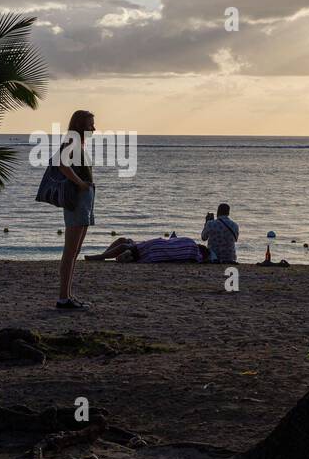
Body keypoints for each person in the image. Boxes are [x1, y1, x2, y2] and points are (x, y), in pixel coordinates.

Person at [56, 109, 95, 309]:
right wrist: (80, 183)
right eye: (90, 124)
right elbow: (61, 163)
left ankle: (67, 296)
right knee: (70, 251)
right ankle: (63, 297)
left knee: (75, 250)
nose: (94, 128)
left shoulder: (79, 143)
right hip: (78, 199)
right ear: (80, 125)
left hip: (85, 199)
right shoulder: (72, 141)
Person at [85, 235, 203, 263]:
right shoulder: (191, 250)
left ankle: (100, 257)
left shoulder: (192, 247)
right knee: (124, 242)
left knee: (123, 244)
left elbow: (172, 242)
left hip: (154, 247)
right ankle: (103, 256)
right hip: (155, 246)